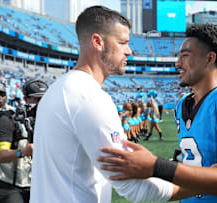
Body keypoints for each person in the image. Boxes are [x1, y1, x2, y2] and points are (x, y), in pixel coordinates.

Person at [30, 6, 187, 203]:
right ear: (97, 42)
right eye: (122, 43)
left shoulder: (57, 89)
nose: (129, 51)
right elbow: (133, 188)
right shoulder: (89, 97)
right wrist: (202, 185)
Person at [98, 23, 217, 202]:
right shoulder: (182, 104)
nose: (177, 63)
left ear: (209, 59)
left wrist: (156, 166)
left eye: (185, 56)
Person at [0, 79, 47, 203]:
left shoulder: (48, 123)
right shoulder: (8, 121)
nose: (41, 103)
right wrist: (23, 152)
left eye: (44, 99)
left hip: (29, 183)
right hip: (4, 181)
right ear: (25, 99)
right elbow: (0, 156)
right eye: (36, 99)